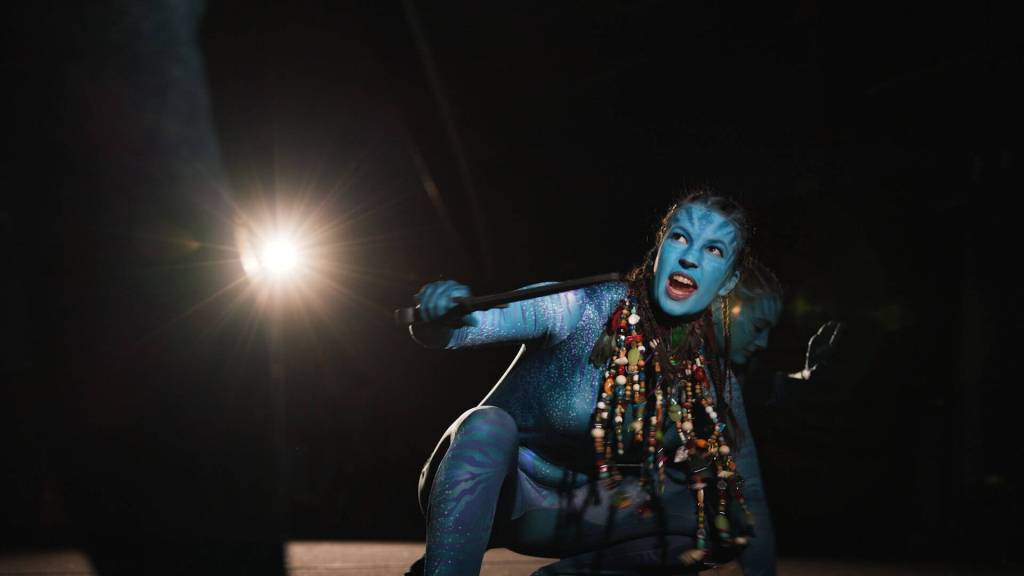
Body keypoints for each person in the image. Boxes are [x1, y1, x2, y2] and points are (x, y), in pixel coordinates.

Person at [409, 190, 765, 575]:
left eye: (713, 250)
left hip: (581, 518)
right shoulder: (581, 307)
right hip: (495, 494)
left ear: (728, 282)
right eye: (679, 237)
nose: (690, 257)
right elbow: (466, 328)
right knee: (487, 423)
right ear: (659, 248)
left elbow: (752, 499)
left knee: (725, 520)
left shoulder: (712, 380)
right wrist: (439, 317)